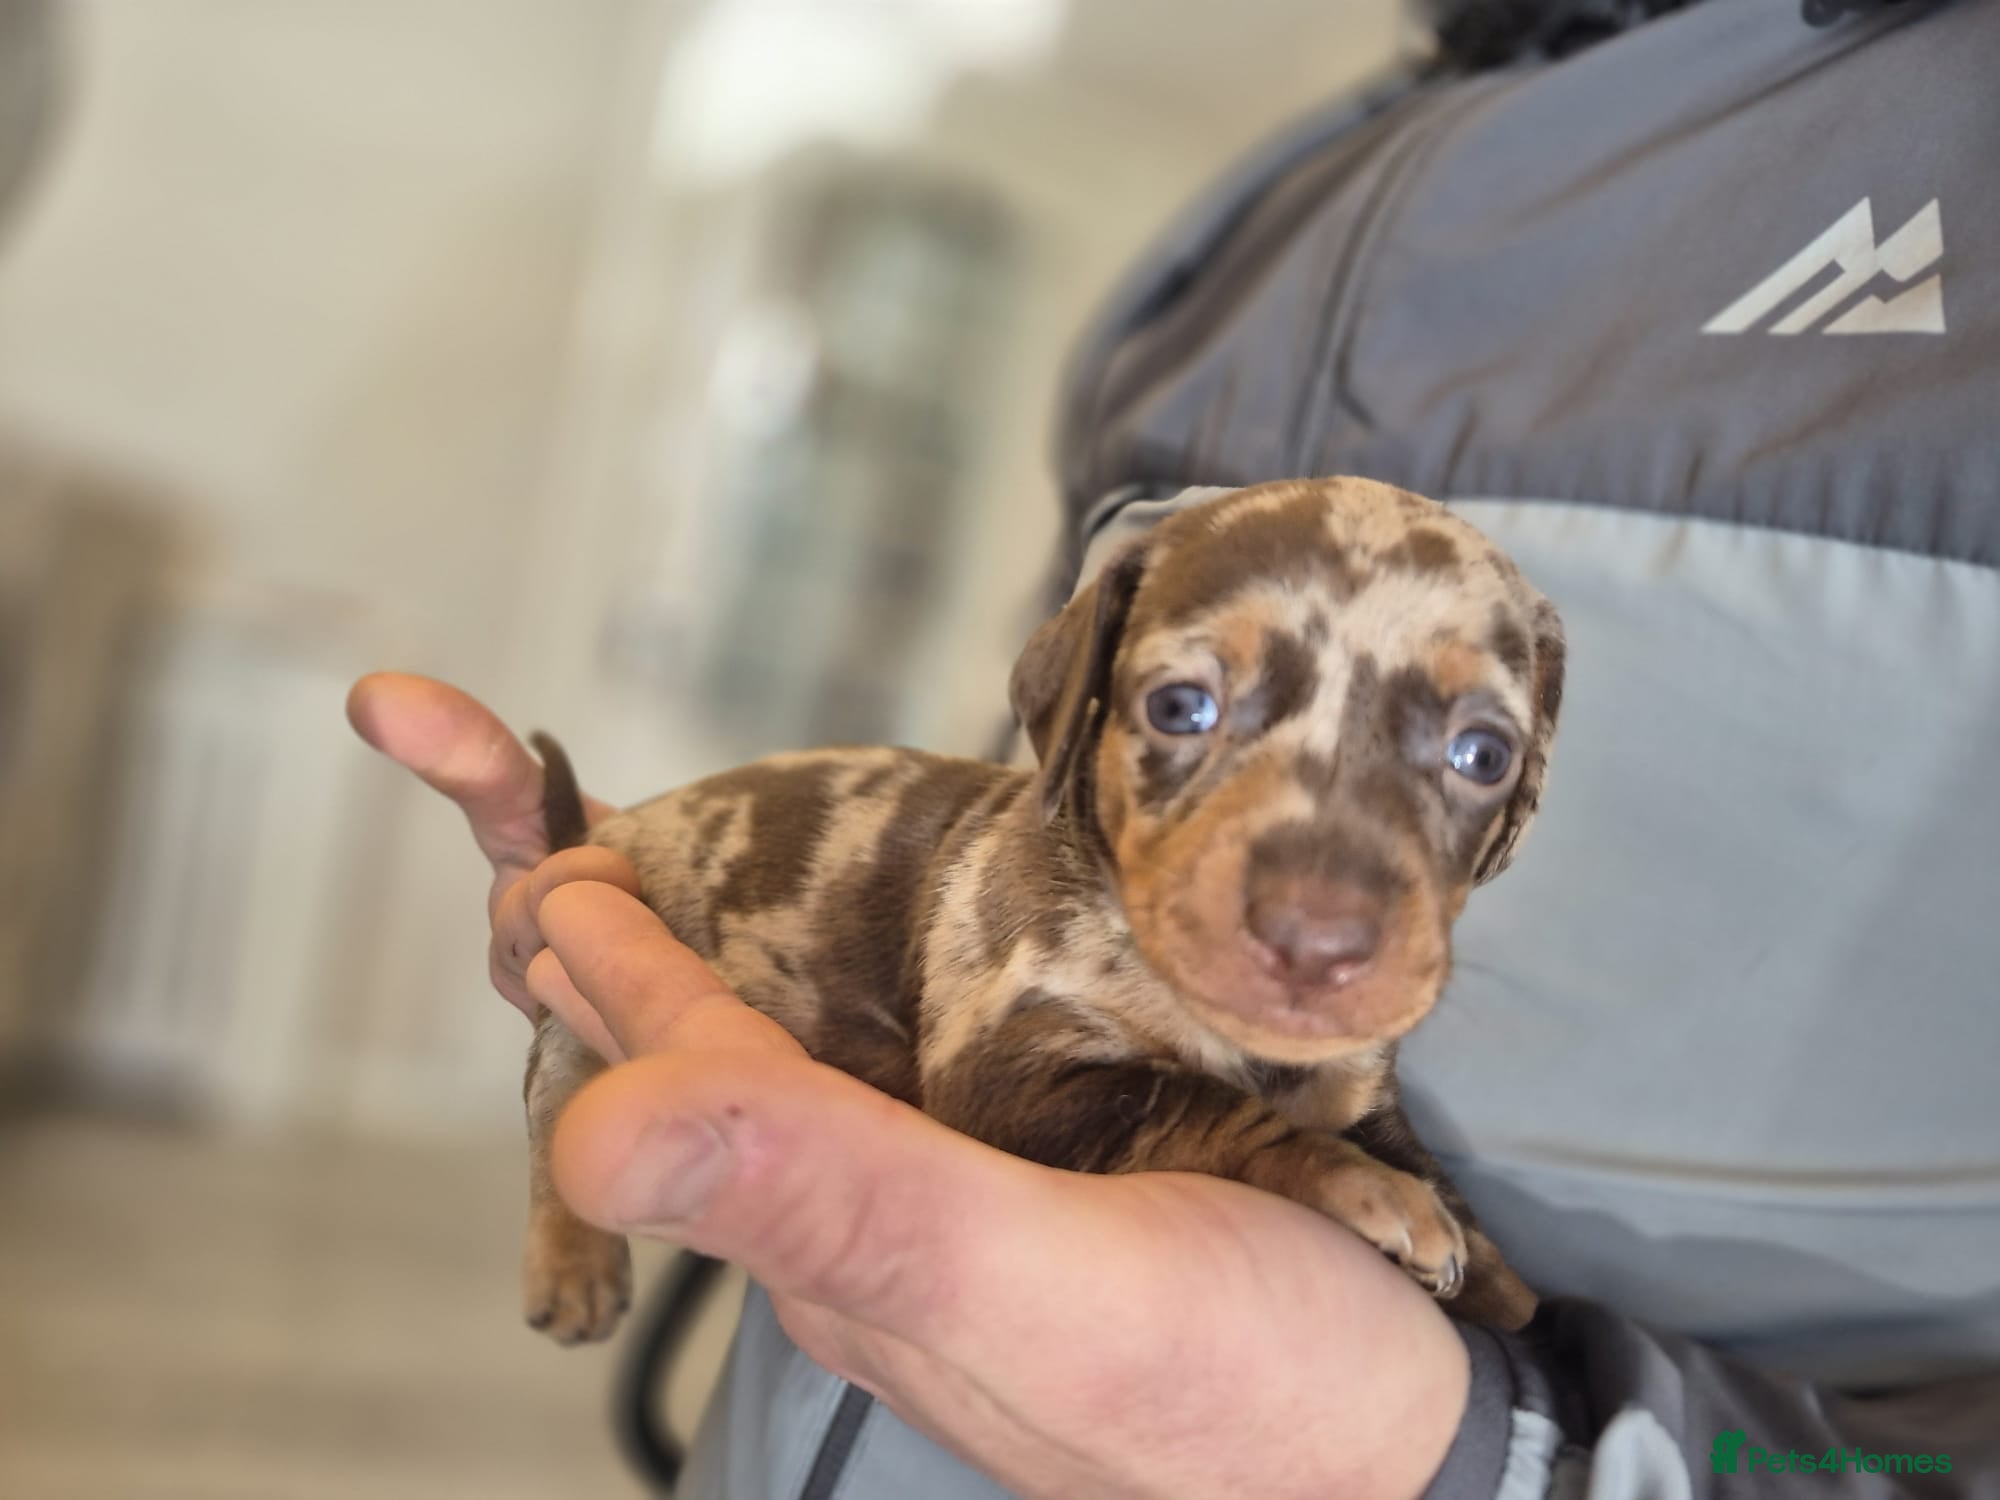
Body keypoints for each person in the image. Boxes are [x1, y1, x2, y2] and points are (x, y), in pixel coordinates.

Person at [349, 0, 2000, 1493]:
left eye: (1471, 756)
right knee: (583, 1002)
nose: (1319, 907)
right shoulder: (1291, 185)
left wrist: (1504, 1449)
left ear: (1527, 792)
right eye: (1191, 710)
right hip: (821, 1424)